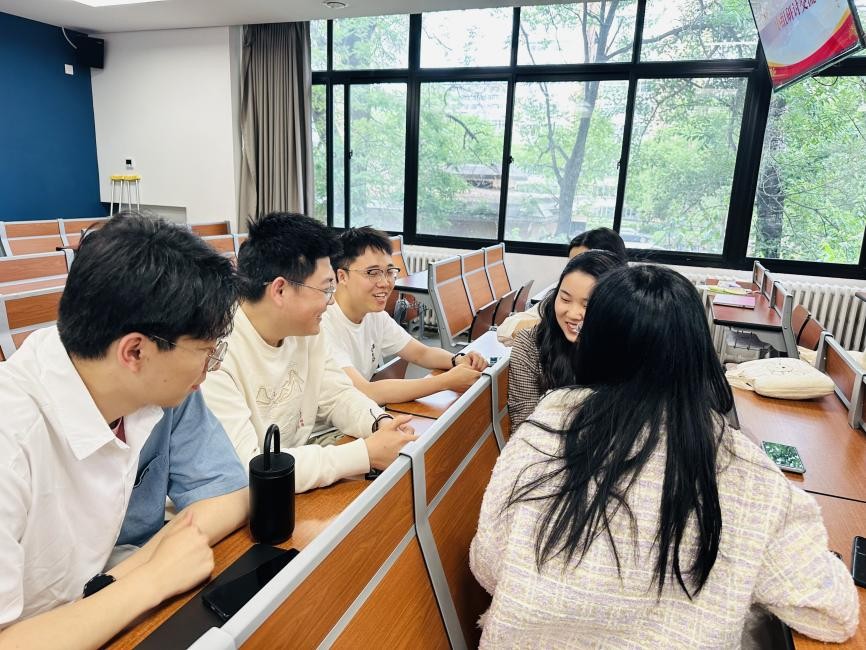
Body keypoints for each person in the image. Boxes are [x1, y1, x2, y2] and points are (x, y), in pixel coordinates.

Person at [471, 265, 858, 647]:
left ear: (592, 345)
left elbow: (486, 565)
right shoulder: (747, 474)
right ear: (699, 353)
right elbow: (833, 614)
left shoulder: (545, 429)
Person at [0, 213, 249, 648]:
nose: (210, 368)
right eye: (205, 352)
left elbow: (229, 494)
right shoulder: (12, 437)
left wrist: (133, 573)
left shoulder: (160, 388)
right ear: (134, 351)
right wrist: (152, 578)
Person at [201, 213, 417, 493]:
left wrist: (379, 423)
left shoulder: (306, 331)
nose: (331, 302)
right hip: (245, 498)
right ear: (280, 290)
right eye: (326, 289)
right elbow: (250, 467)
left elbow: (337, 394)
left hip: (296, 483)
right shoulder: (214, 353)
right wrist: (364, 454)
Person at [321, 226, 487, 405]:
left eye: (389, 272)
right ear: (342, 276)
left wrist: (458, 359)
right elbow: (366, 392)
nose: (385, 283)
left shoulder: (374, 315)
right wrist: (445, 381)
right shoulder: (322, 323)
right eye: (373, 273)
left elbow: (420, 353)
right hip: (329, 421)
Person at [507, 250, 625, 430]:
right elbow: (524, 422)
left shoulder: (626, 344)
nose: (573, 314)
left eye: (587, 305)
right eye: (565, 299)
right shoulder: (531, 343)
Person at [497, 227, 628, 345]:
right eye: (572, 263)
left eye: (587, 263)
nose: (577, 269)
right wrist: (555, 323)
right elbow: (506, 329)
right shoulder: (561, 296)